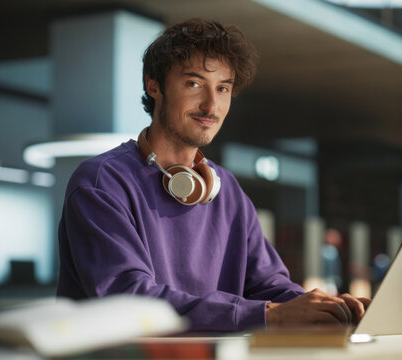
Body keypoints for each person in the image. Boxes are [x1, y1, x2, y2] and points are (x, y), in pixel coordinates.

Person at [57, 18, 370, 332]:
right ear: (154, 85)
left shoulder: (227, 190)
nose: (211, 105)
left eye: (223, 88)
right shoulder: (101, 182)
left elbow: (269, 286)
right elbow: (129, 300)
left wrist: (329, 309)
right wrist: (268, 314)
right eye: (194, 83)